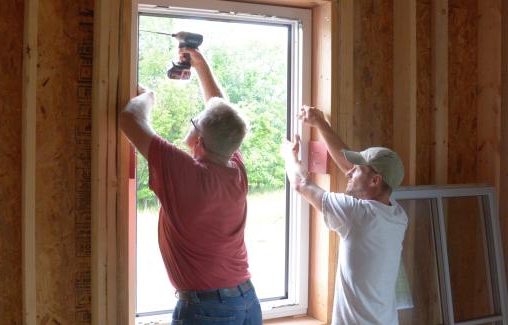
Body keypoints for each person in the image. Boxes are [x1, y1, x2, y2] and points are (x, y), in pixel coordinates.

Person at [120, 47, 262, 324]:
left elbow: (128, 119)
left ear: (198, 140)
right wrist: (200, 65)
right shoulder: (236, 171)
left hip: (208, 310)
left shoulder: (185, 174)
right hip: (246, 302)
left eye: (194, 122)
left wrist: (148, 96)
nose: (194, 121)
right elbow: (223, 115)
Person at [282, 105, 408, 325]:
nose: (350, 171)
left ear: (375, 181)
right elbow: (353, 170)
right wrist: (320, 123)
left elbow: (301, 183)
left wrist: (288, 157)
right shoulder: (397, 215)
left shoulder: (357, 215)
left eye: (358, 168)